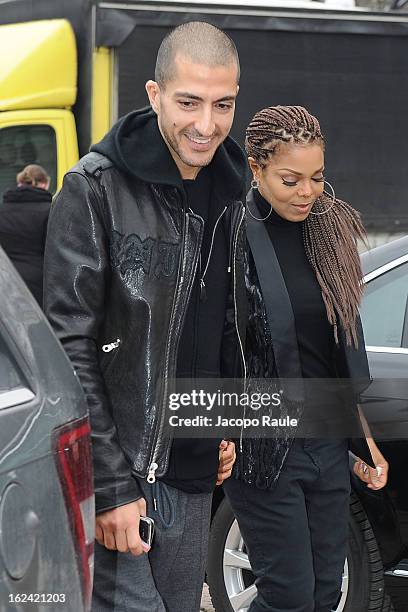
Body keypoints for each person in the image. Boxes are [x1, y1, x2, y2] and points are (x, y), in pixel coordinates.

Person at [43, 21, 247, 612]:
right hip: (126, 474)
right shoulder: (95, 189)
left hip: (193, 472)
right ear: (155, 95)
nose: (206, 125)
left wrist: (225, 422)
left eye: (222, 105)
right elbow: (70, 346)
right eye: (189, 102)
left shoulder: (236, 194)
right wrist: (108, 488)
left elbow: (223, 325)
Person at [224, 105, 389, 612]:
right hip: (262, 446)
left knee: (323, 593)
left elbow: (341, 348)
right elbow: (212, 347)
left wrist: (362, 443)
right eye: (290, 179)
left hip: (326, 443)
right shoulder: (228, 235)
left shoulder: (330, 232)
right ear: (256, 168)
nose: (307, 192)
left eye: (316, 177)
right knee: (289, 597)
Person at [0, 164, 51, 306]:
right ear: (43, 184)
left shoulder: (2, 211)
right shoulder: (49, 211)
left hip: (7, 281)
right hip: (40, 283)